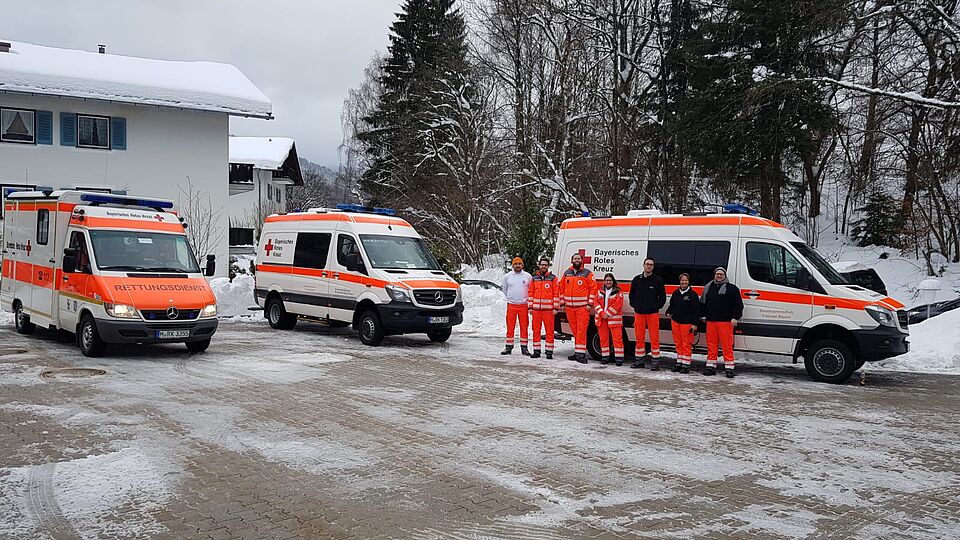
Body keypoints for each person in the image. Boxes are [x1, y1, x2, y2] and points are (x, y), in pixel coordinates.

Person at [700, 267, 743, 378]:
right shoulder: (709, 287)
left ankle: (729, 368)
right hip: (711, 321)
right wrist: (703, 316)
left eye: (721, 274)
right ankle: (710, 366)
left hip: (726, 322)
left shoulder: (732, 289)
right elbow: (703, 304)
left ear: (725, 275)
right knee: (711, 345)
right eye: (717, 274)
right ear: (714, 275)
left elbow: (738, 305)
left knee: (727, 345)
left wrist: (735, 317)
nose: (719, 276)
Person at [629, 257, 666, 370]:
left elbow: (662, 297)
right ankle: (639, 361)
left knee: (654, 338)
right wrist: (635, 305)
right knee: (639, 338)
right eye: (647, 264)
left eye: (651, 264)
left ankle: (655, 362)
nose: (648, 266)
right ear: (643, 265)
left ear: (653, 267)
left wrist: (656, 307)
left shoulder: (658, 280)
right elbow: (631, 295)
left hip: (652, 314)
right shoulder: (636, 280)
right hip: (639, 313)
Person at [560, 252, 596, 364]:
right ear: (571, 260)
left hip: (582, 308)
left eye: (578, 258)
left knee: (581, 331)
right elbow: (561, 288)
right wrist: (562, 303)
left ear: (582, 260)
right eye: (575, 258)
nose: (577, 260)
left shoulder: (587, 273)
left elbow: (593, 289)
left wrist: (590, 304)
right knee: (575, 331)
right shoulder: (567, 273)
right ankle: (578, 352)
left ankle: (581, 354)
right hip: (569, 308)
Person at [666, 273, 700, 374]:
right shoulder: (676, 293)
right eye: (682, 280)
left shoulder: (692, 295)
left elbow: (696, 311)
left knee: (686, 344)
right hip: (675, 321)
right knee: (678, 343)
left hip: (687, 323)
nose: (684, 282)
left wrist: (694, 324)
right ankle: (679, 363)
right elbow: (672, 305)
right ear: (679, 281)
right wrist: (668, 312)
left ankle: (686, 365)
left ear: (688, 282)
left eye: (686, 280)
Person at [528, 257, 560, 359]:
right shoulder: (534, 279)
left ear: (548, 266)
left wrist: (555, 307)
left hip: (549, 311)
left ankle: (549, 352)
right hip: (536, 310)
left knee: (549, 331)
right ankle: (536, 351)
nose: (543, 266)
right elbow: (530, 293)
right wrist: (530, 307)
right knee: (536, 330)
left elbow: (556, 294)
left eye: (545, 265)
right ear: (539, 265)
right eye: (542, 265)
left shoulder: (553, 278)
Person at [501, 257, 532, 356]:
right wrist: (511, 298)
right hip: (511, 305)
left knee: (524, 327)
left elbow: (530, 289)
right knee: (510, 327)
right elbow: (504, 289)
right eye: (516, 264)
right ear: (513, 265)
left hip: (523, 305)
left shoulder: (527, 276)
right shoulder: (508, 276)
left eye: (519, 264)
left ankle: (524, 348)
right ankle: (508, 347)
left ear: (522, 265)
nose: (518, 265)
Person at [595, 273, 625, 366]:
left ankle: (619, 358)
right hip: (601, 319)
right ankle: (605, 357)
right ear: (604, 281)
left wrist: (607, 314)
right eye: (607, 280)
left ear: (613, 281)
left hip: (614, 319)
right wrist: (601, 313)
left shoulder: (618, 292)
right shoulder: (599, 291)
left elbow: (618, 305)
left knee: (617, 339)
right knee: (603, 339)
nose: (608, 282)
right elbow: (595, 303)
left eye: (610, 280)